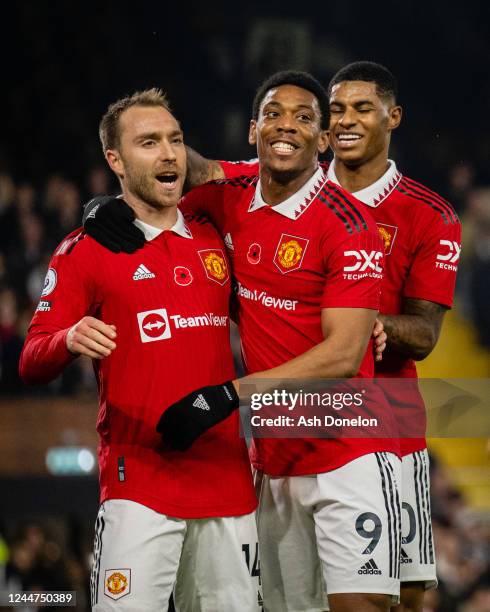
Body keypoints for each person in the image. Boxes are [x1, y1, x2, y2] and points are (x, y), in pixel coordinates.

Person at [82, 71, 402, 612]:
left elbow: (345, 355)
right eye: (274, 115)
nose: (287, 128)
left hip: (349, 450)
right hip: (272, 460)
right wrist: (103, 206)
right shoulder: (229, 193)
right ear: (252, 131)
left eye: (304, 118)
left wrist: (230, 394)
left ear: (323, 140)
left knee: (361, 606)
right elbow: (175, 165)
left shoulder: (351, 226)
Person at [181, 61, 462, 612]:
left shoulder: (429, 215)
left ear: (393, 117)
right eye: (337, 109)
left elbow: (425, 333)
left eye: (361, 108)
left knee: (401, 593)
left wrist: (370, 326)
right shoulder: (273, 181)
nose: (347, 120)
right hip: (284, 426)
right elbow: (193, 169)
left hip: (383, 416)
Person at [19, 89, 261, 612]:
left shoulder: (212, 233)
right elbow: (31, 358)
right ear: (116, 160)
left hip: (229, 485)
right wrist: (68, 339)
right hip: (140, 488)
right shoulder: (84, 249)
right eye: (148, 142)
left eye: (175, 140)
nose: (169, 153)